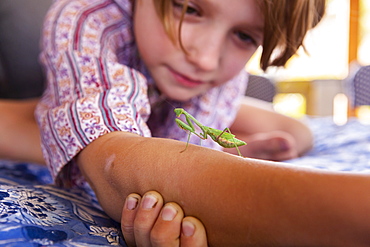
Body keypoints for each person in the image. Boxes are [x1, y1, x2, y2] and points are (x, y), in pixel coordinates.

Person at [8, 0, 370, 246]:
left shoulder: (212, 73)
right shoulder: (89, 19)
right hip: (79, 99)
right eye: (191, 8)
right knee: (25, 128)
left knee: (297, 134)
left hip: (169, 95)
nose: (206, 57)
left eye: (245, 36)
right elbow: (116, 166)